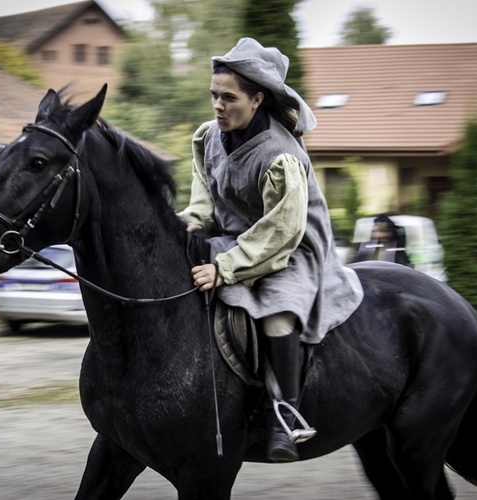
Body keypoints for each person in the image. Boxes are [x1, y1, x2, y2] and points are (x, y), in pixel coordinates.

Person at [178, 37, 362, 462]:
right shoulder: (209, 135)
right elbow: (204, 182)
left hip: (294, 247)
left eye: (229, 98)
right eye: (214, 96)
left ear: (258, 98)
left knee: (278, 315)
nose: (218, 106)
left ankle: (286, 416)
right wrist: (196, 217)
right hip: (237, 239)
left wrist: (224, 268)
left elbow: (281, 232)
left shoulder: (280, 157)